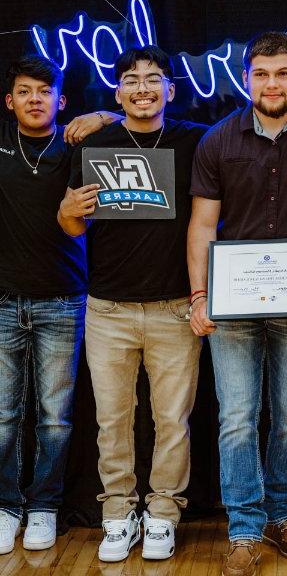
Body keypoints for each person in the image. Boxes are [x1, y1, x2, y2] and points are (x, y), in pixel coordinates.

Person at [58, 44, 287, 563]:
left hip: (176, 306)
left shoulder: (195, 141)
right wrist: (68, 210)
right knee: (112, 420)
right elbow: (72, 226)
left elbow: (264, 124)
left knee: (172, 420)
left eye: (153, 79)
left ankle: (163, 513)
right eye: (131, 81)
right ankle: (117, 513)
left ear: (171, 90)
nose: (142, 88)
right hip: (107, 307)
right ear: (117, 92)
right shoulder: (94, 143)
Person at [187, 31, 287, 576]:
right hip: (233, 307)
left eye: (282, 73)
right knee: (236, 418)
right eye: (262, 73)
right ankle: (244, 529)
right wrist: (199, 294)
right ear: (247, 77)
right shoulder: (217, 140)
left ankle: (282, 514)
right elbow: (202, 223)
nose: (272, 83)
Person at [0, 55, 114, 554]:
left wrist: (103, 116)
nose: (34, 100)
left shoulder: (76, 143)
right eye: (24, 91)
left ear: (61, 101)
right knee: (3, 415)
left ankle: (44, 506)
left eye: (44, 92)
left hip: (65, 300)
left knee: (54, 415)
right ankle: (6, 506)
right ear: (10, 100)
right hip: (3, 301)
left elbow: (134, 118)